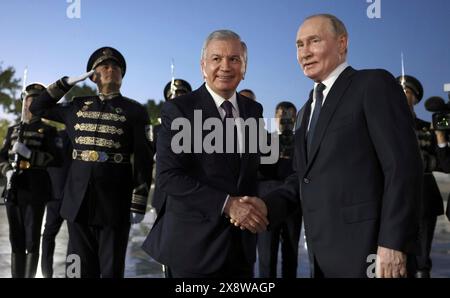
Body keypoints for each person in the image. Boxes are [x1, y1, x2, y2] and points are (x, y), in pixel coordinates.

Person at [238, 14, 423, 278]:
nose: (304, 52)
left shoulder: (373, 84)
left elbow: (403, 167)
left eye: (314, 41)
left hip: (373, 254)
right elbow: (300, 179)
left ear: (342, 43)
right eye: (299, 45)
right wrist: (265, 206)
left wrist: (393, 244)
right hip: (322, 256)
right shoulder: (304, 112)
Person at [142, 29, 268, 278]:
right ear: (202, 66)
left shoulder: (254, 111)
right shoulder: (179, 110)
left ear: (244, 68)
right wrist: (227, 205)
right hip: (193, 250)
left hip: (240, 250)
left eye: (234, 59)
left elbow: (253, 173)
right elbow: (169, 176)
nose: (225, 66)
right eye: (216, 59)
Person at [29, 47, 153, 278]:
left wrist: (138, 201)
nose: (111, 70)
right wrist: (65, 83)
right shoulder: (76, 106)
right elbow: (38, 107)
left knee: (110, 270)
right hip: (78, 202)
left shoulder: (135, 111)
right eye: (104, 66)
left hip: (114, 201)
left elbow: (144, 159)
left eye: (116, 67)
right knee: (77, 270)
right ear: (93, 75)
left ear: (122, 75)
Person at [0, 83, 59, 278]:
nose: (30, 103)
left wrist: (29, 155)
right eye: (28, 99)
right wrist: (7, 170)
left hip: (35, 189)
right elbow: (1, 157)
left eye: (35, 100)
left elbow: (57, 158)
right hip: (13, 188)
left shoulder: (48, 131)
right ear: (24, 103)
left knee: (32, 239)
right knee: (15, 239)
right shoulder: (13, 130)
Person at [396, 75, 444, 278]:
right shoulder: (384, 124)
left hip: (424, 193)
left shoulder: (428, 128)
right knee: (396, 255)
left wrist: (441, 139)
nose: (402, 95)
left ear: (415, 98)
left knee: (423, 259)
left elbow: (446, 164)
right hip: (394, 196)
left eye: (407, 92)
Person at [257, 101, 302, 278]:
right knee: (267, 256)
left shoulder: (302, 141)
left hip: (294, 206)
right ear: (275, 118)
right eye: (282, 116)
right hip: (267, 204)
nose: (286, 120)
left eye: (290, 117)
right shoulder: (265, 140)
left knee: (291, 255)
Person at [41, 128, 72, 278]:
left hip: (58, 193)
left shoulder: (54, 136)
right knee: (74, 240)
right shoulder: (76, 135)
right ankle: (72, 274)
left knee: (48, 237)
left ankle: (47, 274)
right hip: (70, 195)